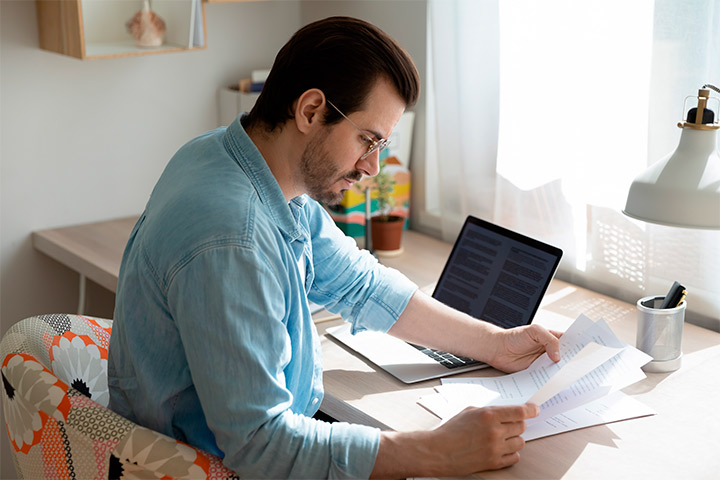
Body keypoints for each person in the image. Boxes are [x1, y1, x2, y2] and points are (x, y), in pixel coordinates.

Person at [108, 16, 561, 479]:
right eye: (367, 140)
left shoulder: (235, 158)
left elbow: (359, 284)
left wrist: (495, 342)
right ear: (310, 111)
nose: (372, 167)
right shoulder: (234, 240)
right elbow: (261, 446)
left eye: (382, 144)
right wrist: (437, 452)